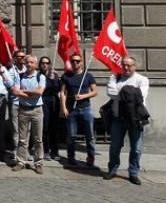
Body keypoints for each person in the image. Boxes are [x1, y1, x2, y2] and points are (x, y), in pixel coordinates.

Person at [104, 56, 150, 185]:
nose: (126, 67)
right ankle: (112, 170)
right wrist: (129, 93)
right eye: (124, 65)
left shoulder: (142, 80)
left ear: (135, 66)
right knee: (115, 147)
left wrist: (122, 93)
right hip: (118, 118)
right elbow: (110, 92)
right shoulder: (114, 77)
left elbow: (139, 96)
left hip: (136, 119)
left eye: (129, 65)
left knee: (136, 148)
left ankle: (133, 173)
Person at [60, 53, 98, 166]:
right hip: (72, 110)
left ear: (81, 63)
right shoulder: (66, 76)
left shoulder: (88, 76)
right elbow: (63, 93)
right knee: (71, 136)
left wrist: (83, 96)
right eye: (73, 61)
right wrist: (63, 108)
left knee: (90, 136)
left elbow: (95, 92)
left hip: (86, 109)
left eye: (77, 61)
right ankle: (71, 157)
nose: (75, 63)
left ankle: (91, 157)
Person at [11, 55, 46, 174]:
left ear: (35, 65)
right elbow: (15, 91)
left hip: (37, 110)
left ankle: (38, 163)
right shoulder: (20, 76)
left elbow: (39, 92)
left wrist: (24, 91)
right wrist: (32, 94)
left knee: (38, 139)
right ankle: (21, 161)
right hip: (23, 110)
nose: (29, 64)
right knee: (22, 139)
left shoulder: (40, 76)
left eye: (31, 62)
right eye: (27, 62)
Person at [6, 49, 26, 161]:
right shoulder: (11, 71)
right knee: (15, 128)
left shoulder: (27, 70)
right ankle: (16, 150)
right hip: (15, 103)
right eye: (19, 56)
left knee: (25, 129)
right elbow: (12, 88)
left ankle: (24, 150)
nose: (22, 58)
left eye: (23, 56)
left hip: (26, 103)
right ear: (15, 59)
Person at [39, 56, 60, 160]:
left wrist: (53, 78)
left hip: (54, 101)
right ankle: (46, 150)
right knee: (45, 127)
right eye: (43, 63)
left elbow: (57, 88)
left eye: (47, 63)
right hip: (43, 101)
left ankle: (55, 151)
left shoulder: (54, 74)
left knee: (54, 127)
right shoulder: (38, 75)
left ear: (50, 64)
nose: (45, 65)